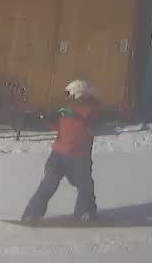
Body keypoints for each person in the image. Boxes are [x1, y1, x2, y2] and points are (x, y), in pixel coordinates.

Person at [21, 80, 100, 224]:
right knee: (48, 185)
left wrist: (79, 118)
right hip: (58, 155)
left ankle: (85, 214)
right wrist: (45, 117)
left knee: (85, 187)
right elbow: (61, 128)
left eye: (69, 94)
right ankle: (31, 214)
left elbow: (92, 130)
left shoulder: (92, 110)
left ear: (78, 94)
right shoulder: (67, 108)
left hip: (79, 158)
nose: (67, 97)